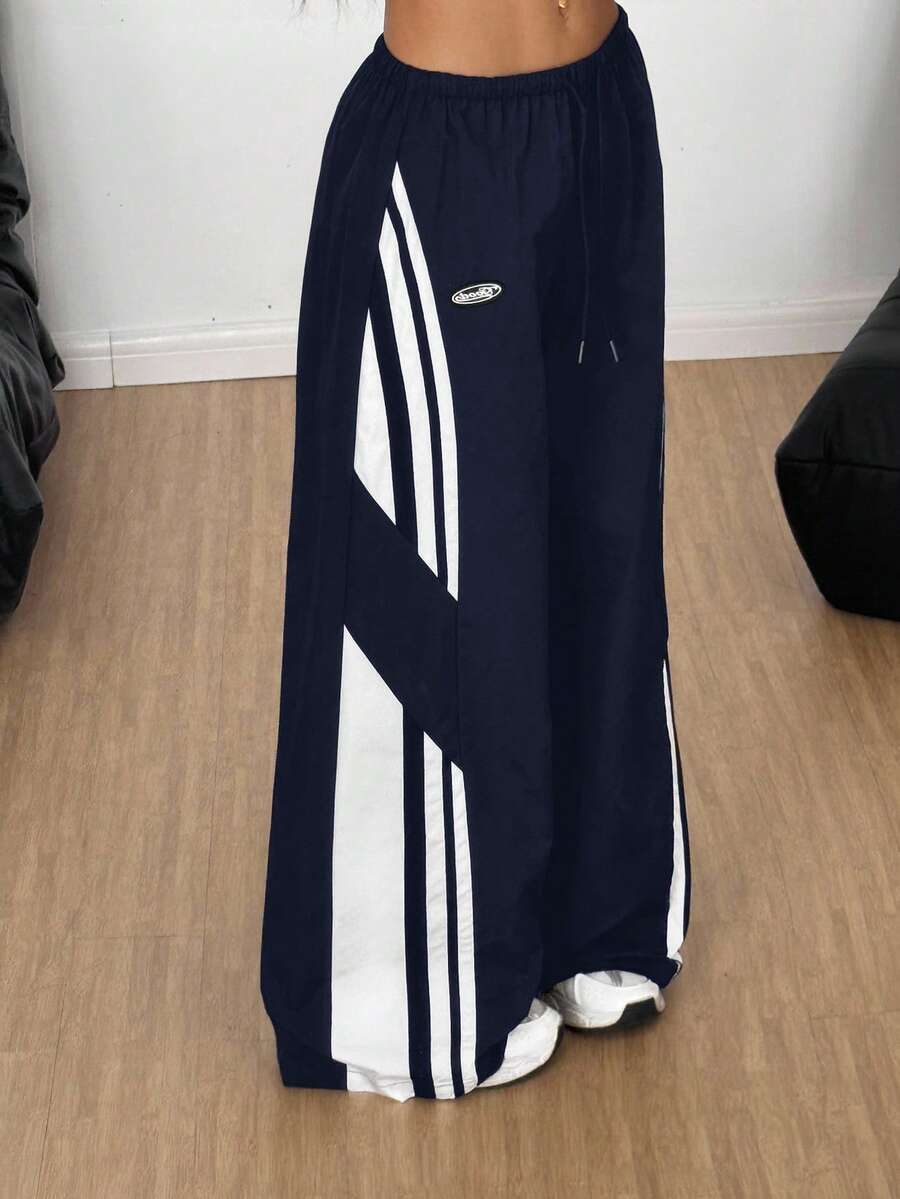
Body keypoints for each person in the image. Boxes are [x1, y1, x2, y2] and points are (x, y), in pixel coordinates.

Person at [261, 0, 690, 1101]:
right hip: (443, 149)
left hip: (601, 103)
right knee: (449, 583)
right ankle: (415, 985)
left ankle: (595, 916)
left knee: (606, 538)